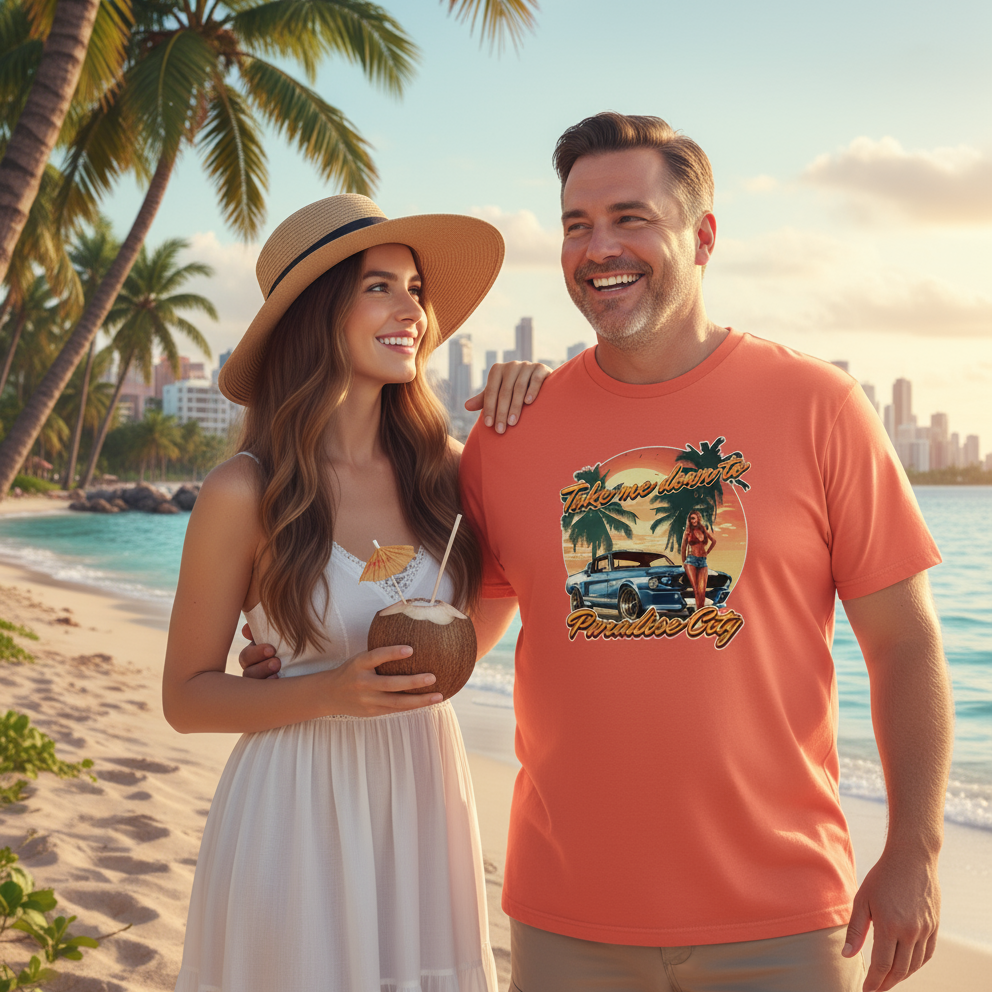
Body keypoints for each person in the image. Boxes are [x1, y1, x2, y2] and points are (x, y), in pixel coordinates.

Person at [243, 116, 953, 992]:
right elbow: (455, 632)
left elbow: (905, 643)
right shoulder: (512, 431)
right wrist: (304, 653)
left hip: (782, 916)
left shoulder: (822, 407)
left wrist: (915, 849)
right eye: (576, 224)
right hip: (565, 919)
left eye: (630, 218)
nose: (598, 248)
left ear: (704, 237)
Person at [163, 193, 549, 992]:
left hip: (423, 793)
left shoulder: (449, 472)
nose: (412, 310)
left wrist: (542, 397)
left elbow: (509, 585)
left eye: (416, 289)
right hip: (296, 802)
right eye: (379, 286)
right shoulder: (245, 490)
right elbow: (186, 698)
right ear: (316, 314)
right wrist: (326, 692)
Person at [680, 509, 716, 612]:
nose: (693, 520)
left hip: (702, 561)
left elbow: (713, 541)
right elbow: (683, 548)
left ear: (698, 519)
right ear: (689, 520)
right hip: (691, 561)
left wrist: (707, 552)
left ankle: (701, 612)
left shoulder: (703, 529)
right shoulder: (688, 532)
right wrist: (684, 562)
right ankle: (699, 614)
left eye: (695, 518)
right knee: (696, 589)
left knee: (702, 590)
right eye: (691, 519)